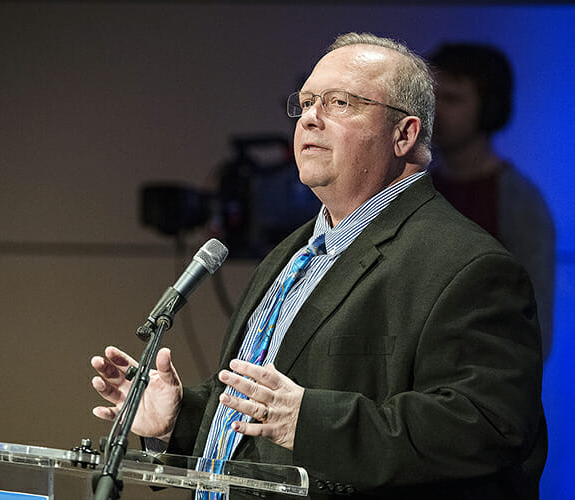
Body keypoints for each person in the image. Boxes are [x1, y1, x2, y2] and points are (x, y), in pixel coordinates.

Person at [91, 32, 547, 499]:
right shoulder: (294, 251)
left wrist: (308, 421)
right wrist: (180, 417)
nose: (310, 118)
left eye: (340, 103)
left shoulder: (470, 266)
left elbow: (487, 425)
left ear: (404, 134)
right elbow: (267, 407)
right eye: (305, 103)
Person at [428, 43, 556, 358]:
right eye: (433, 97)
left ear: (489, 107)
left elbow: (534, 321)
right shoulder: (417, 185)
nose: (437, 111)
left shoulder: (518, 199)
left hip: (485, 376)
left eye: (453, 99)